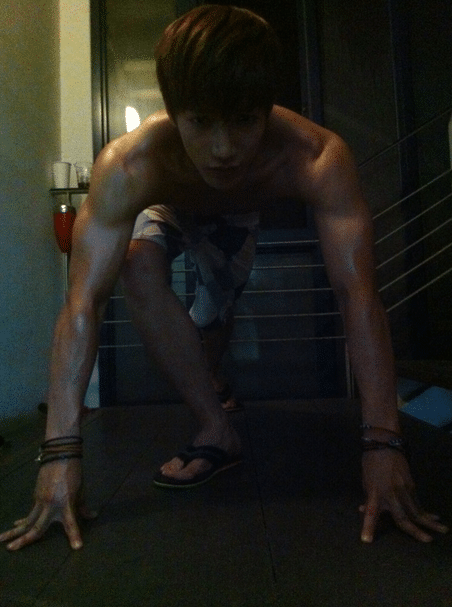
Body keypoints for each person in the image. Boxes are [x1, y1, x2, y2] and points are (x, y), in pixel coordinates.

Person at [0, 4, 447, 551]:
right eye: (200, 122)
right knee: (136, 263)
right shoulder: (129, 166)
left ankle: (212, 376)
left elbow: (358, 295)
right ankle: (217, 429)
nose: (223, 149)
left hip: (236, 217)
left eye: (243, 121)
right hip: (167, 203)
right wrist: (59, 454)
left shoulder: (316, 156)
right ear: (172, 112)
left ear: (267, 110)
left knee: (211, 327)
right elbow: (82, 303)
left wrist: (384, 445)